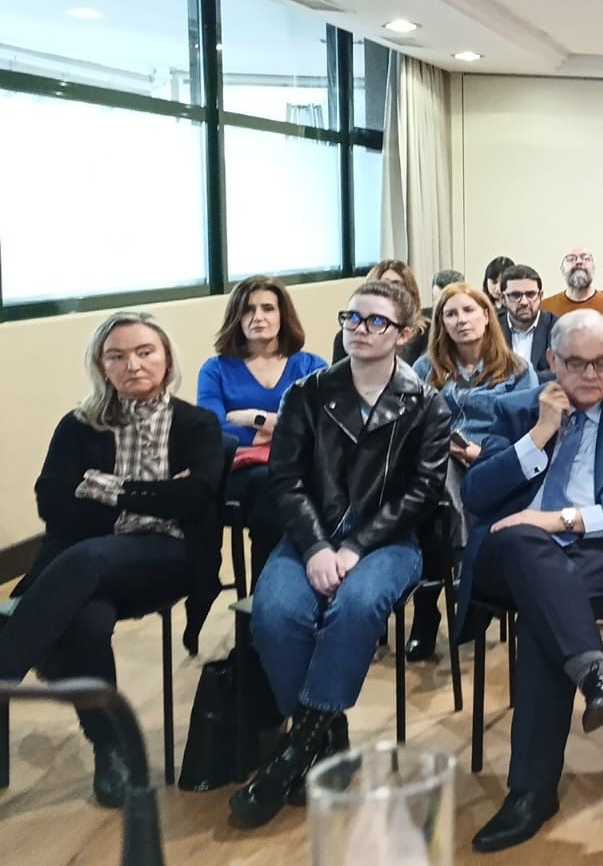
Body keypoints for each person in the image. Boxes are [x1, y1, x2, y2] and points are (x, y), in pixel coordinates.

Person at [231, 279, 453, 829]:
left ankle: (292, 753)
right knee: (276, 612)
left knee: (355, 608)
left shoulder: (427, 404)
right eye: (351, 318)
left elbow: (421, 493)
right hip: (310, 534)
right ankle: (325, 732)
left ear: (404, 334)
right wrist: (315, 547)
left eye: (375, 321)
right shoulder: (307, 393)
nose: (359, 329)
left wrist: (354, 546)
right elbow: (285, 480)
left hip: (388, 540)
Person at [461, 310, 603, 852]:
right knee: (520, 544)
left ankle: (531, 793)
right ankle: (594, 675)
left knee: (544, 616)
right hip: (510, 559)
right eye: (576, 363)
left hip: (598, 555)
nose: (590, 374)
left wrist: (560, 520)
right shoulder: (515, 410)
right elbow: (477, 496)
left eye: (602, 362)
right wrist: (538, 435)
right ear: (552, 361)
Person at [3, 312, 225, 806]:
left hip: (168, 557)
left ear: (167, 359)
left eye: (145, 351)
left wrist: (105, 488)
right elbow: (52, 502)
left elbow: (195, 499)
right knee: (84, 621)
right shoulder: (79, 425)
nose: (133, 364)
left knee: (86, 559)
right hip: (90, 562)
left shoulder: (196, 423)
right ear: (101, 367)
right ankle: (111, 748)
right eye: (117, 356)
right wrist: (155, 494)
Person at [400, 281, 537, 661]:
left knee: (444, 500)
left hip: (496, 460)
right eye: (451, 314)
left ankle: (453, 589)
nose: (461, 320)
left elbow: (531, 428)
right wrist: (447, 445)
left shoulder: (517, 368)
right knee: (436, 484)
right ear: (441, 323)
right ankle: (457, 583)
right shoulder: (424, 368)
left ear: (487, 315)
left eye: (469, 311)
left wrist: (485, 452)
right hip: (439, 461)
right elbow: (410, 423)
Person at [198, 276, 326, 578]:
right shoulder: (215, 369)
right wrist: (287, 426)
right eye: (248, 310)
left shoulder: (310, 366)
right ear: (236, 318)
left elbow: (322, 424)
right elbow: (212, 429)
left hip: (301, 468)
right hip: (241, 474)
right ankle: (264, 597)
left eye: (268, 308)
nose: (258, 317)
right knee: (270, 485)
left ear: (283, 315)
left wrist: (254, 418)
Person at [332, 260, 429, 365]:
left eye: (398, 286)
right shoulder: (347, 334)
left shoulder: (427, 333)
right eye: (384, 285)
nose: (390, 292)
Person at [496, 263, 557, 381]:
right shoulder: (490, 328)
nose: (524, 302)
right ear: (502, 298)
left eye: (530, 294)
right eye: (515, 295)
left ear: (541, 295)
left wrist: (516, 380)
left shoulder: (557, 327)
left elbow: (560, 374)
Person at [541, 247, 603, 318]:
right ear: (562, 270)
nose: (579, 262)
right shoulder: (544, 308)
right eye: (571, 259)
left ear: (593, 267)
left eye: (586, 258)